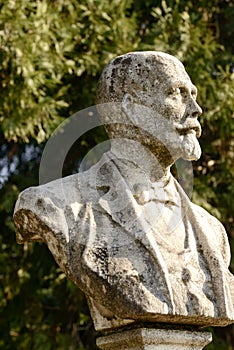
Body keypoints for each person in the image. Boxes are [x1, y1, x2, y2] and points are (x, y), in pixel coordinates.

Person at [14, 52, 234, 331]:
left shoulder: (212, 231)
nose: (195, 108)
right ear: (131, 109)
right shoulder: (55, 206)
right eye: (176, 94)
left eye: (193, 94)